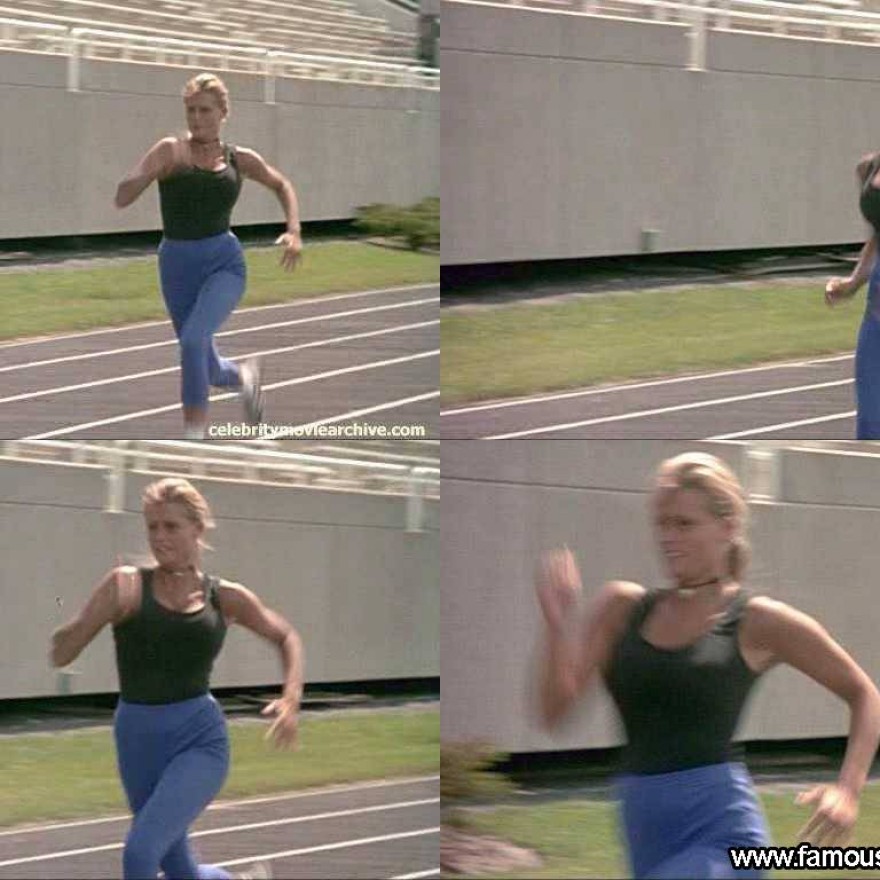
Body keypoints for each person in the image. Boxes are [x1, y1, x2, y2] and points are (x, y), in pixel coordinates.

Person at [535, 452, 880, 880]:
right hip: (645, 833)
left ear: (727, 527)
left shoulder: (756, 621)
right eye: (662, 524)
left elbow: (865, 694)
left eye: (684, 524)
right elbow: (554, 713)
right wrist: (557, 626)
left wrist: (847, 790)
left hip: (725, 839)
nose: (668, 537)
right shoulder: (621, 608)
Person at [49, 477, 304, 880]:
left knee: (140, 853)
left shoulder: (224, 597)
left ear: (197, 529)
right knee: (179, 868)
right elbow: (62, 652)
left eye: (171, 526)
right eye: (152, 526)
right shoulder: (127, 586)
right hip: (136, 739)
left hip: (198, 739)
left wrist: (291, 700)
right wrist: (76, 628)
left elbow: (285, 636)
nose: (159, 537)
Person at [114, 72, 303, 440]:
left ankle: (194, 436)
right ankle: (245, 377)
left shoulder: (239, 158)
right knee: (205, 362)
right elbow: (122, 196)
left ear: (222, 113)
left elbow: (281, 184)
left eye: (204, 110)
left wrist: (294, 231)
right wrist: (147, 174)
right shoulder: (170, 150)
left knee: (193, 342)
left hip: (223, 263)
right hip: (176, 265)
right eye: (191, 110)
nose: (196, 118)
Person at [825, 151, 880, 438]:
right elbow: (877, 236)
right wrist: (852, 284)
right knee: (871, 422)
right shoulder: (868, 167)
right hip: (876, 319)